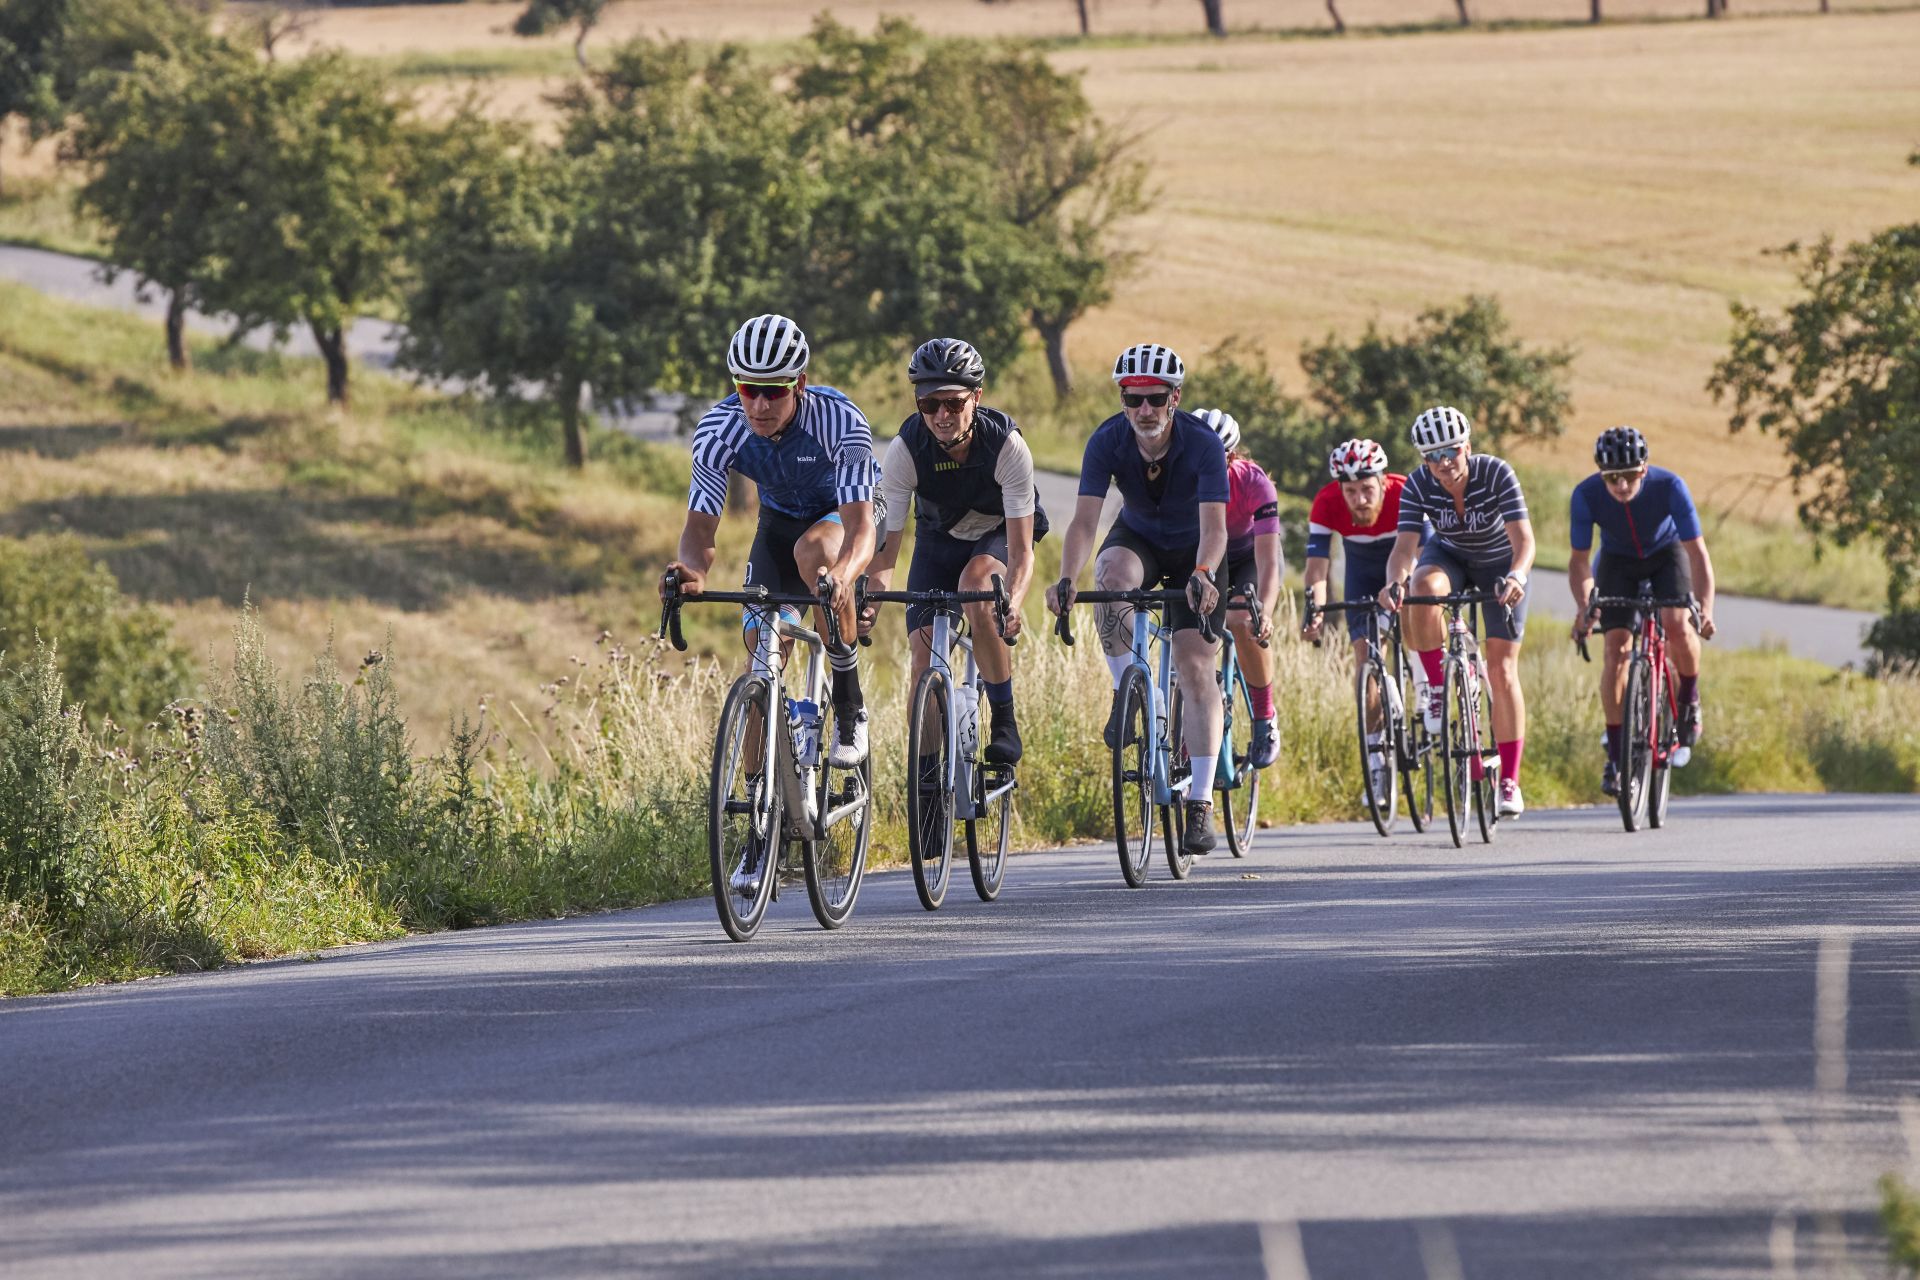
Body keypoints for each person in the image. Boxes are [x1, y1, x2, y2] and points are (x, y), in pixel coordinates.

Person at [661, 313, 879, 825]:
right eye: (748, 389)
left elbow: (863, 528)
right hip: (778, 524)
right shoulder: (719, 430)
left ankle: (849, 703)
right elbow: (700, 531)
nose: (759, 405)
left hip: (841, 517)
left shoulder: (840, 421)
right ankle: (761, 818)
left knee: (816, 556)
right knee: (761, 659)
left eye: (774, 392)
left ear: (799, 385)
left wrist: (845, 576)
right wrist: (691, 571)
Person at [1046, 343, 1229, 857]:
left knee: (1195, 667)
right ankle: (1128, 690)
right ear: (1122, 399)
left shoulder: (1202, 443)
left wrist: (1202, 572)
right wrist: (1066, 577)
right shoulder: (1107, 439)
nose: (1143, 411)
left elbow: (1215, 528)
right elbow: (1085, 521)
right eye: (1133, 399)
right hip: (1142, 537)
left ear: (1174, 398)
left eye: (1154, 398)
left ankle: (1199, 801)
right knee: (1111, 576)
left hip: (1197, 549)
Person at [863, 337, 1045, 768]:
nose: (942, 416)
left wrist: (1013, 602)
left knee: (977, 586)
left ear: (976, 397)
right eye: (929, 405)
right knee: (922, 658)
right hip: (939, 537)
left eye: (953, 403)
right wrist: (870, 597)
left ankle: (1003, 717)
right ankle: (925, 783)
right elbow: (887, 552)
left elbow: (1021, 551)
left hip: (999, 533)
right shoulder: (905, 450)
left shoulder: (1005, 445)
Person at [1376, 406, 1536, 818]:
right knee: (1421, 590)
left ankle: (1509, 780)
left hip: (1501, 566)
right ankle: (1434, 688)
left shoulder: (1497, 473)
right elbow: (1404, 548)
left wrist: (1517, 577)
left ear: (1467, 446)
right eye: (1432, 456)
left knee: (1502, 672)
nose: (1443, 463)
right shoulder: (1418, 484)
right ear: (1422, 460)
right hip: (1451, 558)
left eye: (1450, 451)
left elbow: (1524, 541)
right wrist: (1394, 582)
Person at [1566, 425, 1718, 795]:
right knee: (1616, 648)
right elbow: (1580, 562)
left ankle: (1690, 698)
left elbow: (1697, 554)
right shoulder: (1585, 495)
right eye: (1612, 478)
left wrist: (1706, 608)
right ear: (1601, 475)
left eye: (1630, 476)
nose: (1621, 486)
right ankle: (1617, 758)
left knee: (1677, 623)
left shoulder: (1670, 487)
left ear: (1644, 469)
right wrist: (1586, 606)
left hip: (1667, 556)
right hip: (1618, 561)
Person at [1301, 438, 1426, 802]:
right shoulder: (1326, 501)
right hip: (1361, 574)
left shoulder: (1406, 492)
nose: (1360, 499)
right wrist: (1316, 612)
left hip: (1405, 569)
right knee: (1364, 661)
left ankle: (1422, 682)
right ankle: (1377, 760)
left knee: (1413, 613)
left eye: (1367, 489)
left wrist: (1399, 586)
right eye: (1351, 491)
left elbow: (1424, 551)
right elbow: (1317, 569)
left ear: (1384, 482)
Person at [1187, 408, 1282, 768]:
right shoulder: (1174, 480)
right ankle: (1190, 724)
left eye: (1217, 457)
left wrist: (1266, 612)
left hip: (1247, 559)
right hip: (1200, 559)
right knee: (1184, 632)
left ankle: (1264, 717)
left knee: (1244, 621)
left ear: (1232, 455)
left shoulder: (1254, 483)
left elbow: (1270, 562)